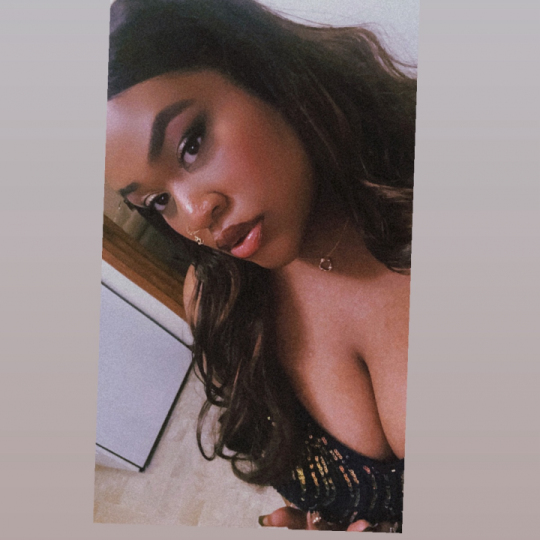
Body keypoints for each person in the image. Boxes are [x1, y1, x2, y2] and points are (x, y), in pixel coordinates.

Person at [105, 0, 416, 532]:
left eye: (191, 144)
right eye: (158, 201)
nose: (194, 214)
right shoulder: (216, 297)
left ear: (260, 70)